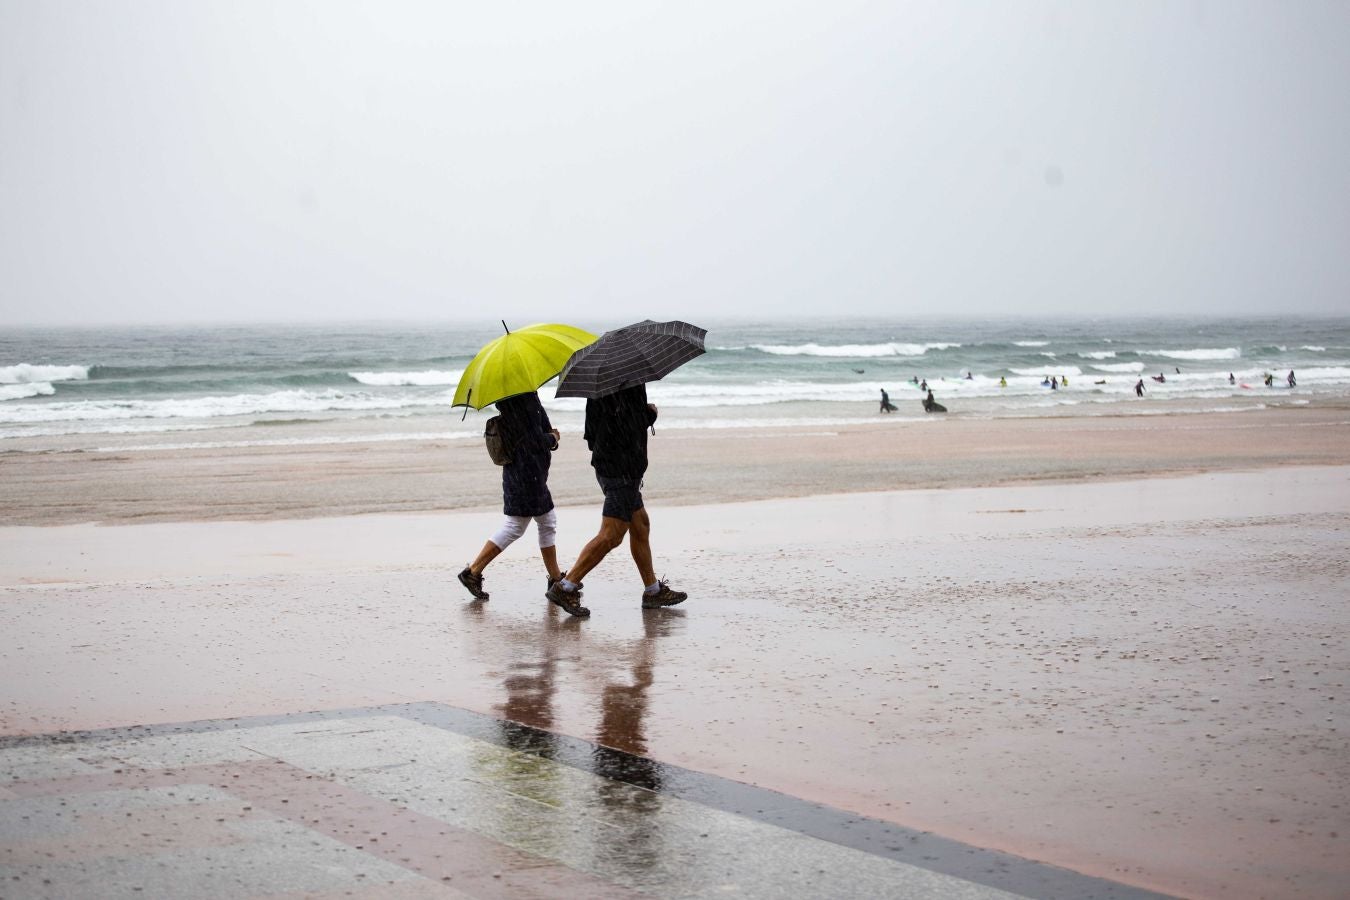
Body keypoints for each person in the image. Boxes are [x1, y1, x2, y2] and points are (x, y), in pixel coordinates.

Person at [546, 384, 686, 617]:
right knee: (612, 534)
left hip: (611, 465)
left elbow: (591, 432)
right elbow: (628, 425)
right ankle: (566, 587)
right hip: (621, 470)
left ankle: (652, 591)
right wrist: (649, 414)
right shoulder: (629, 381)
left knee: (640, 525)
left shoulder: (598, 385)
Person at [458, 391, 562, 601]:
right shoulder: (517, 397)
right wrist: (552, 437)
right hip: (526, 473)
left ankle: (556, 578)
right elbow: (531, 440)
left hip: (528, 472)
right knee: (518, 525)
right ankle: (473, 572)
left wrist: (549, 434)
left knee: (543, 521)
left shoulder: (522, 393)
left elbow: (537, 424)